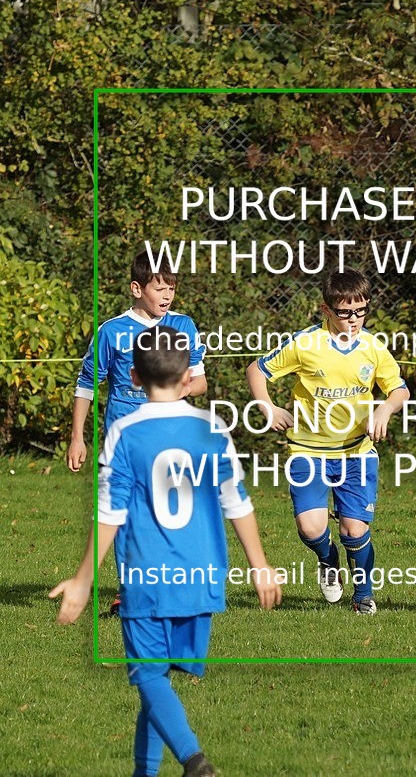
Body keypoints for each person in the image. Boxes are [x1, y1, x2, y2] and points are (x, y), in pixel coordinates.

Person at [50, 325, 282, 777]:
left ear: (133, 378)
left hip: (147, 576)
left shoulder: (125, 433)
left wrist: (83, 580)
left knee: (149, 676)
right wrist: (261, 566)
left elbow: (110, 514)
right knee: (155, 679)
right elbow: (237, 500)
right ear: (186, 378)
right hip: (201, 576)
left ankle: (195, 762)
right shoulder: (211, 428)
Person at [246, 267, 409, 614]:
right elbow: (256, 370)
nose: (354, 319)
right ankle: (327, 559)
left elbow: (399, 389)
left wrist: (383, 410)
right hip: (307, 450)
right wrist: (268, 408)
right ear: (326, 310)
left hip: (356, 453)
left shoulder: (373, 348)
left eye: (361, 311)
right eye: (345, 312)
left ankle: (363, 594)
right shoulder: (305, 344)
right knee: (310, 527)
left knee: (354, 529)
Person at [67, 250, 207, 473]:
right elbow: (86, 385)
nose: (167, 296)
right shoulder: (110, 331)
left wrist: (183, 389)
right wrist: (77, 438)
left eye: (171, 289)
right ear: (137, 289)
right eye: (160, 289)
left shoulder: (184, 326)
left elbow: (201, 383)